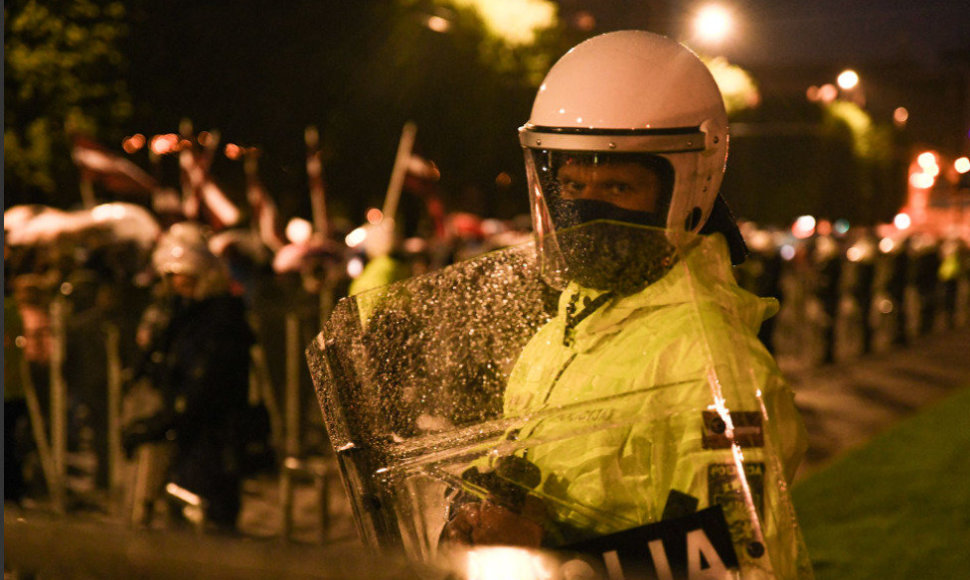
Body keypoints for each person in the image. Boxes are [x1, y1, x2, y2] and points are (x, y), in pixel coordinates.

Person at [438, 31, 812, 578]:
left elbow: (748, 561)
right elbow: (518, 468)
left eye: (616, 188)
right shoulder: (563, 334)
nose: (587, 209)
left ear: (688, 188)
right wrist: (473, 507)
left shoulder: (711, 365)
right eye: (569, 184)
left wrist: (557, 559)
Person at [123, 223, 254, 531]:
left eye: (182, 279)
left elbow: (203, 388)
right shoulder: (186, 315)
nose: (176, 286)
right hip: (190, 442)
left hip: (213, 442)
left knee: (208, 528)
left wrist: (159, 425)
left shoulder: (219, 320)